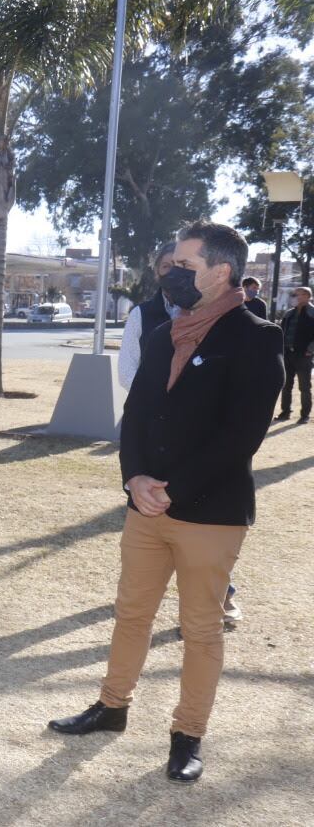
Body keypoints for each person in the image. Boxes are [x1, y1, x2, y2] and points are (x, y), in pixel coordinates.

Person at [48, 220, 284, 785]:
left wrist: (170, 489)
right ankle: (111, 708)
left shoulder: (258, 339)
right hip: (145, 507)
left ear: (220, 273)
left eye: (184, 266)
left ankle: (187, 736)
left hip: (209, 511)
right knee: (131, 613)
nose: (170, 274)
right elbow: (135, 416)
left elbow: (241, 435)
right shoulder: (162, 333)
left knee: (200, 629)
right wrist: (134, 480)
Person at [118, 242, 179, 391]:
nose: (173, 272)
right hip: (148, 409)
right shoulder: (140, 314)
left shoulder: (204, 311)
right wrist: (152, 399)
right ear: (157, 272)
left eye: (179, 265)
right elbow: (126, 372)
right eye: (166, 266)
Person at [276, 286, 314, 424]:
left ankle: (305, 415)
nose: (297, 297)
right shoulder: (289, 313)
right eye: (295, 294)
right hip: (287, 354)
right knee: (286, 385)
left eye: (300, 294)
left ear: (308, 296)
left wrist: (310, 350)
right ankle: (285, 412)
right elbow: (282, 331)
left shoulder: (312, 313)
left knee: (304, 387)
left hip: (304, 355)